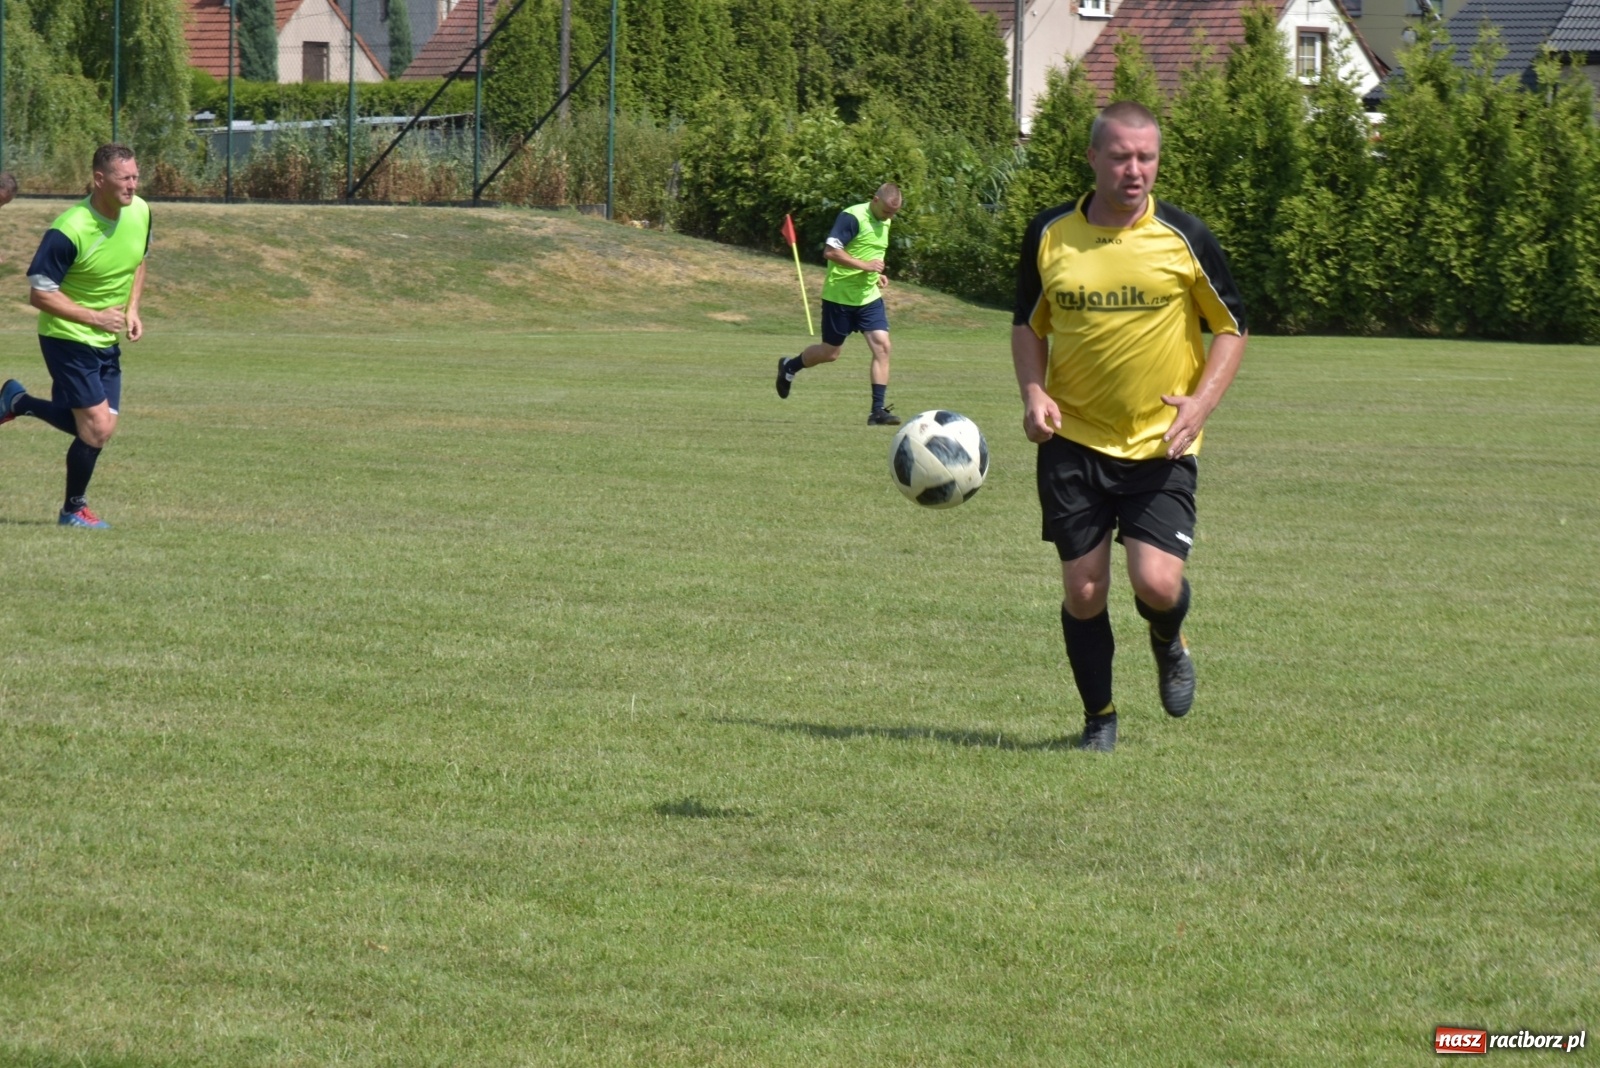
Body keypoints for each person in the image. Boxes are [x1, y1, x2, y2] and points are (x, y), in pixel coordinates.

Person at [1011, 102, 1248, 753]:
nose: (1135, 169)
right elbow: (1027, 325)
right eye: (1121, 156)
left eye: (1146, 157)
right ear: (1092, 159)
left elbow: (1231, 328)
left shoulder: (1185, 237)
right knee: (1085, 589)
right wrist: (1034, 392)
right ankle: (1100, 720)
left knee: (1157, 583)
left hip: (1159, 443)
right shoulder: (1050, 234)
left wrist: (1200, 405)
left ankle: (1169, 638)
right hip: (1074, 440)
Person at [0, 144, 150, 529]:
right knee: (97, 427)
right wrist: (93, 316)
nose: (133, 185)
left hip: (105, 340)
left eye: (135, 176)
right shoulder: (69, 229)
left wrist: (132, 308)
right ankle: (72, 510)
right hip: (66, 336)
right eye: (124, 178)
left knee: (99, 429)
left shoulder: (141, 212)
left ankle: (18, 400)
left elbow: (138, 260)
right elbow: (40, 292)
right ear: (99, 179)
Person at [776, 183, 904, 426]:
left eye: (893, 213)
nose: (890, 217)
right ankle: (789, 366)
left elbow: (869, 250)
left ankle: (877, 411)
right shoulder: (852, 217)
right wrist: (866, 267)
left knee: (883, 346)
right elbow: (831, 252)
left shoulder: (885, 220)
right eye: (887, 211)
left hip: (867, 297)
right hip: (839, 297)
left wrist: (875, 275)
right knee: (830, 353)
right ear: (874, 199)